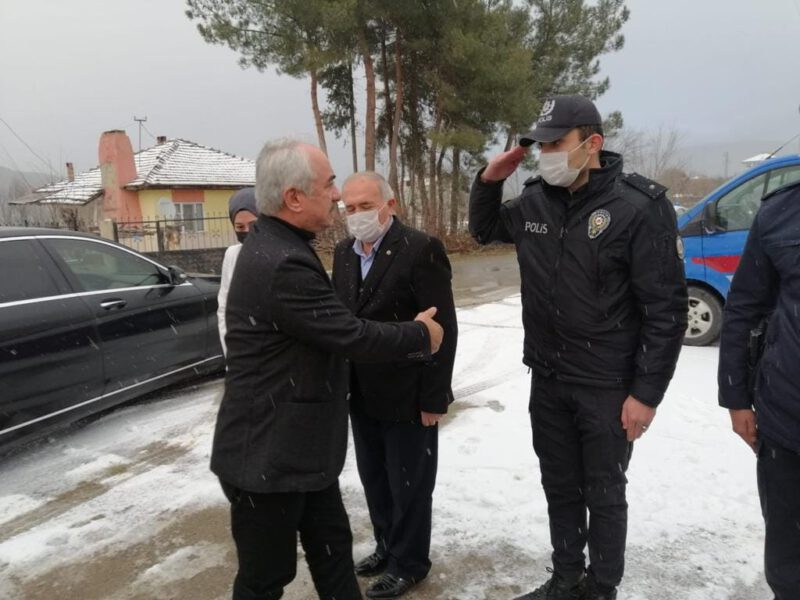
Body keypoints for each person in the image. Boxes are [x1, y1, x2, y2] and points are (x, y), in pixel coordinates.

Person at [469, 95, 687, 600]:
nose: (546, 154)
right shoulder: (535, 201)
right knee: (560, 484)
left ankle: (602, 587)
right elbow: (483, 230)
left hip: (607, 384)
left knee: (604, 493)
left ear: (593, 144)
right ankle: (566, 578)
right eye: (541, 145)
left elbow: (666, 310)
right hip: (549, 378)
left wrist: (646, 393)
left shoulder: (638, 207)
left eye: (556, 143)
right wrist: (489, 180)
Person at [210, 139, 445, 600]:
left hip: (300, 451)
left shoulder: (280, 247)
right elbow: (350, 333)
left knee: (334, 554)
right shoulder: (282, 262)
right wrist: (420, 334)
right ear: (294, 197)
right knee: (264, 579)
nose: (337, 196)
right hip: (268, 458)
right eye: (330, 184)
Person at [331, 172, 458, 598]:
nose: (357, 215)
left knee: (410, 486)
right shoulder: (343, 253)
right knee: (375, 479)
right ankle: (386, 546)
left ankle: (410, 563)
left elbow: (443, 327)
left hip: (409, 393)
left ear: (391, 204)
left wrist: (434, 396)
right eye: (349, 208)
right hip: (361, 391)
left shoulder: (421, 248)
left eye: (366, 206)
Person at [718, 179, 800, 600]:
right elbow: (743, 308)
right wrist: (736, 399)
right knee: (789, 568)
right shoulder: (781, 212)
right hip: (787, 424)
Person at [217, 187, 258, 355]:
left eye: (253, 225)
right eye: (240, 227)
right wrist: (231, 351)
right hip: (241, 352)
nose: (247, 231)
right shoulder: (232, 255)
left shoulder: (282, 254)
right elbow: (224, 307)